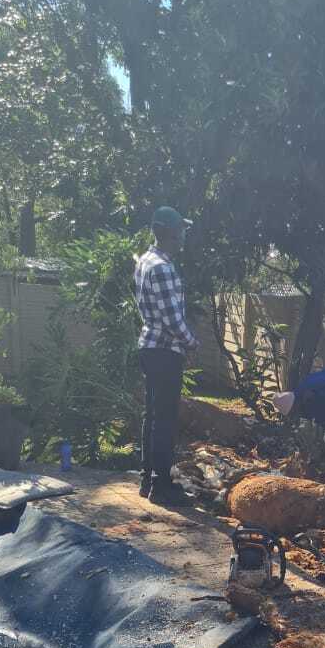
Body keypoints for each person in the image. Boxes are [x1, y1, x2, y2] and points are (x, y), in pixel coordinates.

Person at [134, 206, 198, 505]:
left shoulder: (145, 261)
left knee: (153, 415)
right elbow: (173, 319)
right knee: (165, 418)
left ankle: (148, 479)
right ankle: (161, 485)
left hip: (150, 346)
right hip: (164, 350)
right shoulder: (162, 267)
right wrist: (191, 344)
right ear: (171, 233)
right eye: (181, 230)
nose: (184, 235)